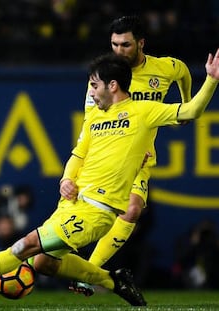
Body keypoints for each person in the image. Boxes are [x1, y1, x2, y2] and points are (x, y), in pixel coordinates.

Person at [0, 49, 219, 307]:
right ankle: (115, 281)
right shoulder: (95, 118)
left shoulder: (143, 112)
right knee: (45, 263)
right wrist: (66, 179)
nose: (90, 92)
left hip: (96, 211)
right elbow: (78, 154)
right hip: (71, 204)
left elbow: (191, 111)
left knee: (25, 246)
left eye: (94, 85)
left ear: (112, 86)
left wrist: (211, 79)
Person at [71, 15, 193, 296]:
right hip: (107, 156)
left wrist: (186, 102)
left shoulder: (163, 68)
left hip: (140, 157)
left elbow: (183, 71)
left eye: (125, 45)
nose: (118, 51)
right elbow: (93, 123)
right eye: (114, 45)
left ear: (141, 44)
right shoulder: (102, 78)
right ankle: (44, 261)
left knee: (133, 209)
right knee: (84, 217)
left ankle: (87, 271)